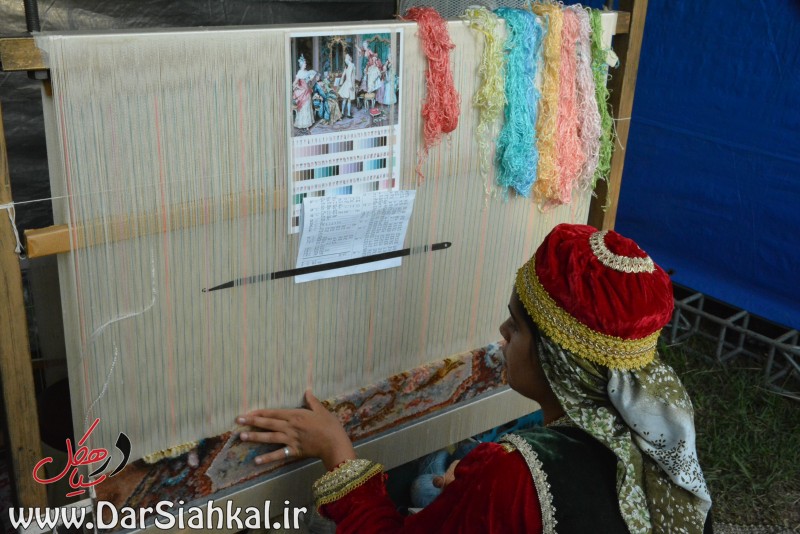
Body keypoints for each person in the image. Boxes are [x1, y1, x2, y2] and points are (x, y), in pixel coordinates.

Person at [237, 223, 713, 533]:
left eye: (517, 326)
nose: (502, 332)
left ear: (559, 361)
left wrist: (336, 451)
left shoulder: (515, 474)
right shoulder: (661, 442)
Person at [292, 56, 315, 133]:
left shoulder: (307, 72)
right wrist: (300, 87)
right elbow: (294, 84)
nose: (305, 64)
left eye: (305, 63)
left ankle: (307, 124)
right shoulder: (299, 72)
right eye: (304, 63)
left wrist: (310, 80)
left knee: (308, 106)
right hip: (302, 92)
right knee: (304, 107)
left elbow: (309, 82)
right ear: (301, 64)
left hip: (307, 92)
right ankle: (303, 124)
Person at [337, 53, 356, 119]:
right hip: (350, 84)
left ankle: (342, 113)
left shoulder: (347, 66)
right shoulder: (351, 65)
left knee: (345, 99)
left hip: (346, 83)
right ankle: (348, 114)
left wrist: (341, 83)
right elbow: (349, 76)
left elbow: (343, 76)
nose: (351, 58)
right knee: (349, 100)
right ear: (350, 58)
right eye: (350, 57)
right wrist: (351, 85)